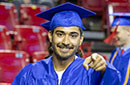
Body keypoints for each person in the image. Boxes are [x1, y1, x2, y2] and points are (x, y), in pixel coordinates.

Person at [12, 2, 120, 85]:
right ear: (50, 36)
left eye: (73, 35)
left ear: (81, 39)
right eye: (60, 34)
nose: (66, 42)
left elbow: (115, 81)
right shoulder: (30, 72)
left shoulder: (91, 73)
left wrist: (106, 69)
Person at [107, 13, 130, 85]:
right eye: (112, 33)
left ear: (129, 32)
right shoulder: (115, 53)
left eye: (116, 33)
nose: (113, 36)